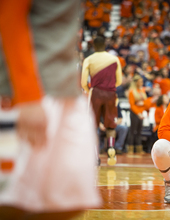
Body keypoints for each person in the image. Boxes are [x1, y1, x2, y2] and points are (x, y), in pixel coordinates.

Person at [0, 0, 101, 219]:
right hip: (27, 91)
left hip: (65, 89)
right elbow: (9, 17)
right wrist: (27, 96)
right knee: (11, 204)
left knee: (69, 202)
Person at [81, 36, 122, 166]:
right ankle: (111, 147)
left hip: (96, 93)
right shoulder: (114, 59)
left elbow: (83, 82)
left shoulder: (89, 59)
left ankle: (95, 157)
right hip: (111, 93)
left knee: (93, 126)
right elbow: (119, 81)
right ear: (105, 45)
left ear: (93, 46)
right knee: (111, 125)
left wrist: (89, 90)